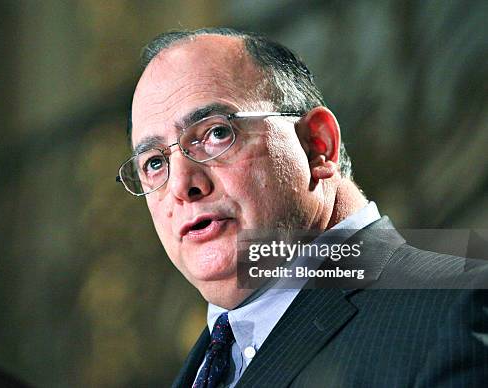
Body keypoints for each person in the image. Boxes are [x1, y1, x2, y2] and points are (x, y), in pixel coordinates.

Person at [116, 28, 488, 387]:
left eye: (216, 133)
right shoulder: (209, 361)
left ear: (317, 145)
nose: (182, 185)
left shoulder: (453, 310)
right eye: (154, 163)